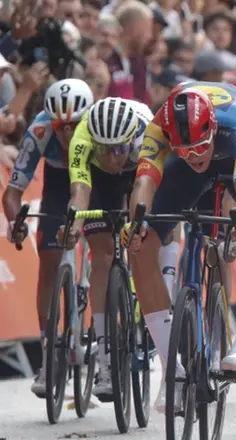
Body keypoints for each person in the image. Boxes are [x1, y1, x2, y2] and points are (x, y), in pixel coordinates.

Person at [123, 82, 236, 413]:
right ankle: (173, 371)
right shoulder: (159, 129)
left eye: (199, 147)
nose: (195, 156)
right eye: (186, 149)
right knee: (138, 245)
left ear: (211, 129)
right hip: (182, 171)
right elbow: (143, 183)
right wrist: (136, 224)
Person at [3, 79, 94, 398]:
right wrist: (16, 224)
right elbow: (12, 193)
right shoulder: (40, 130)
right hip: (59, 181)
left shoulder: (98, 127)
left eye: (74, 125)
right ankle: (49, 351)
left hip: (97, 177)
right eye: (61, 127)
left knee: (105, 244)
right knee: (49, 261)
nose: (68, 133)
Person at [59, 97, 153, 400]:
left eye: (118, 150)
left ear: (129, 140)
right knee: (102, 254)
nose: (112, 158)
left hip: (137, 173)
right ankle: (105, 356)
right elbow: (81, 191)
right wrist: (73, 226)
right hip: (98, 182)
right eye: (105, 150)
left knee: (143, 237)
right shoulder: (82, 140)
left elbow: (148, 191)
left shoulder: (147, 136)